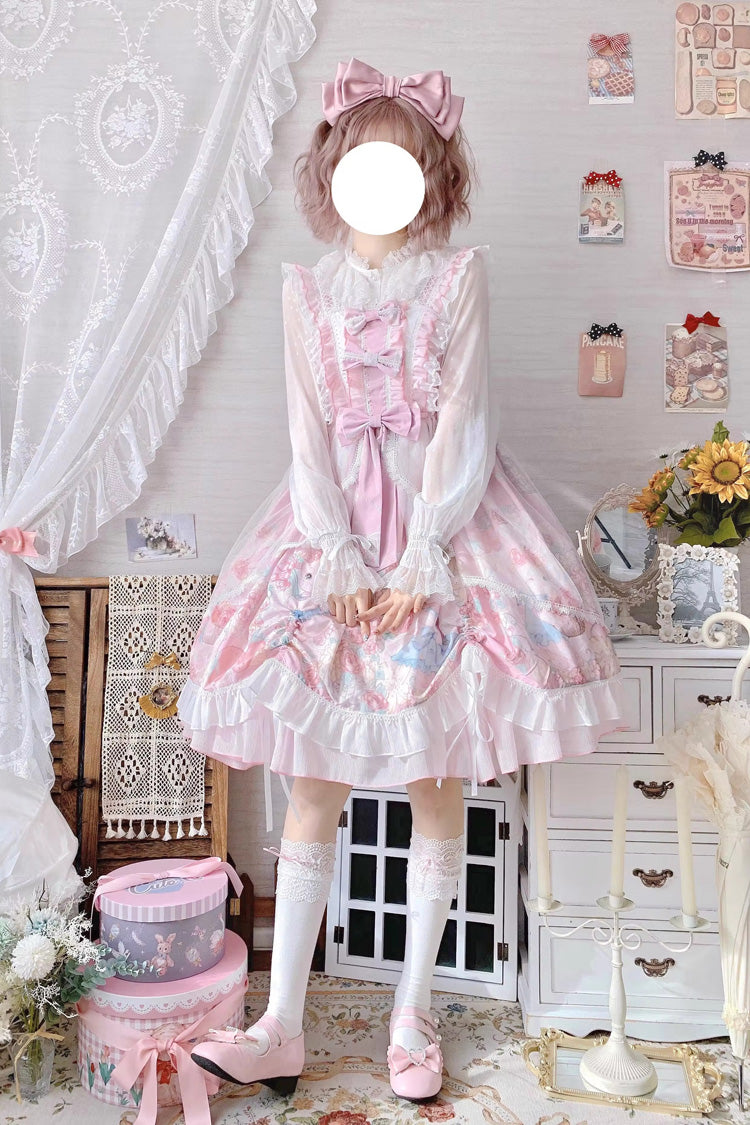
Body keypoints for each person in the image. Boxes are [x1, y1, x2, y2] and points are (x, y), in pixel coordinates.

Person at [182, 57, 625, 1103]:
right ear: (332, 169)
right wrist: (335, 553)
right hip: (331, 535)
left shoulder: (457, 277)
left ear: (434, 173)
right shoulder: (306, 292)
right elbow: (307, 435)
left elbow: (465, 420)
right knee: (312, 783)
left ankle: (412, 1013)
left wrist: (428, 553)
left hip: (446, 531)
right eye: (363, 159)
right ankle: (282, 1022)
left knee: (437, 773)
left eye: (405, 160)